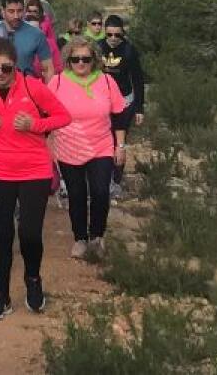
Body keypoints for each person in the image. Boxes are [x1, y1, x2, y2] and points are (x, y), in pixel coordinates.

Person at [0, 37, 71, 320]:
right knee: (0, 235)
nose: (0, 73)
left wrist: (35, 125)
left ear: (16, 66)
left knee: (28, 232)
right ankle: (0, 295)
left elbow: (63, 116)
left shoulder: (32, 86)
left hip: (34, 170)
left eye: (6, 68)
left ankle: (33, 279)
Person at [46, 38, 126, 262]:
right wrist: (47, 146)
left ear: (95, 60)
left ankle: (97, 236)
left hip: (100, 145)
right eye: (75, 59)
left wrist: (120, 146)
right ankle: (80, 237)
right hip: (68, 147)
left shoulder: (107, 81)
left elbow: (119, 115)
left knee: (101, 191)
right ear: (68, 61)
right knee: (77, 194)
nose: (81, 63)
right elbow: (45, 115)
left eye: (86, 59)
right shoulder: (57, 82)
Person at [97, 15, 146, 197]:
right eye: (109, 34)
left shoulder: (129, 50)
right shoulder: (98, 48)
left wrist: (140, 107)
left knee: (119, 141)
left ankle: (115, 180)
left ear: (122, 33)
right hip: (102, 100)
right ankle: (101, 177)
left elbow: (138, 80)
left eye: (117, 35)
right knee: (102, 139)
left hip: (125, 100)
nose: (113, 39)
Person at [0, 0, 55, 80]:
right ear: (2, 11)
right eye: (11, 11)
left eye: (19, 11)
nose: (16, 16)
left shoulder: (36, 34)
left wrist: (46, 91)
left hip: (26, 88)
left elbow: (48, 68)